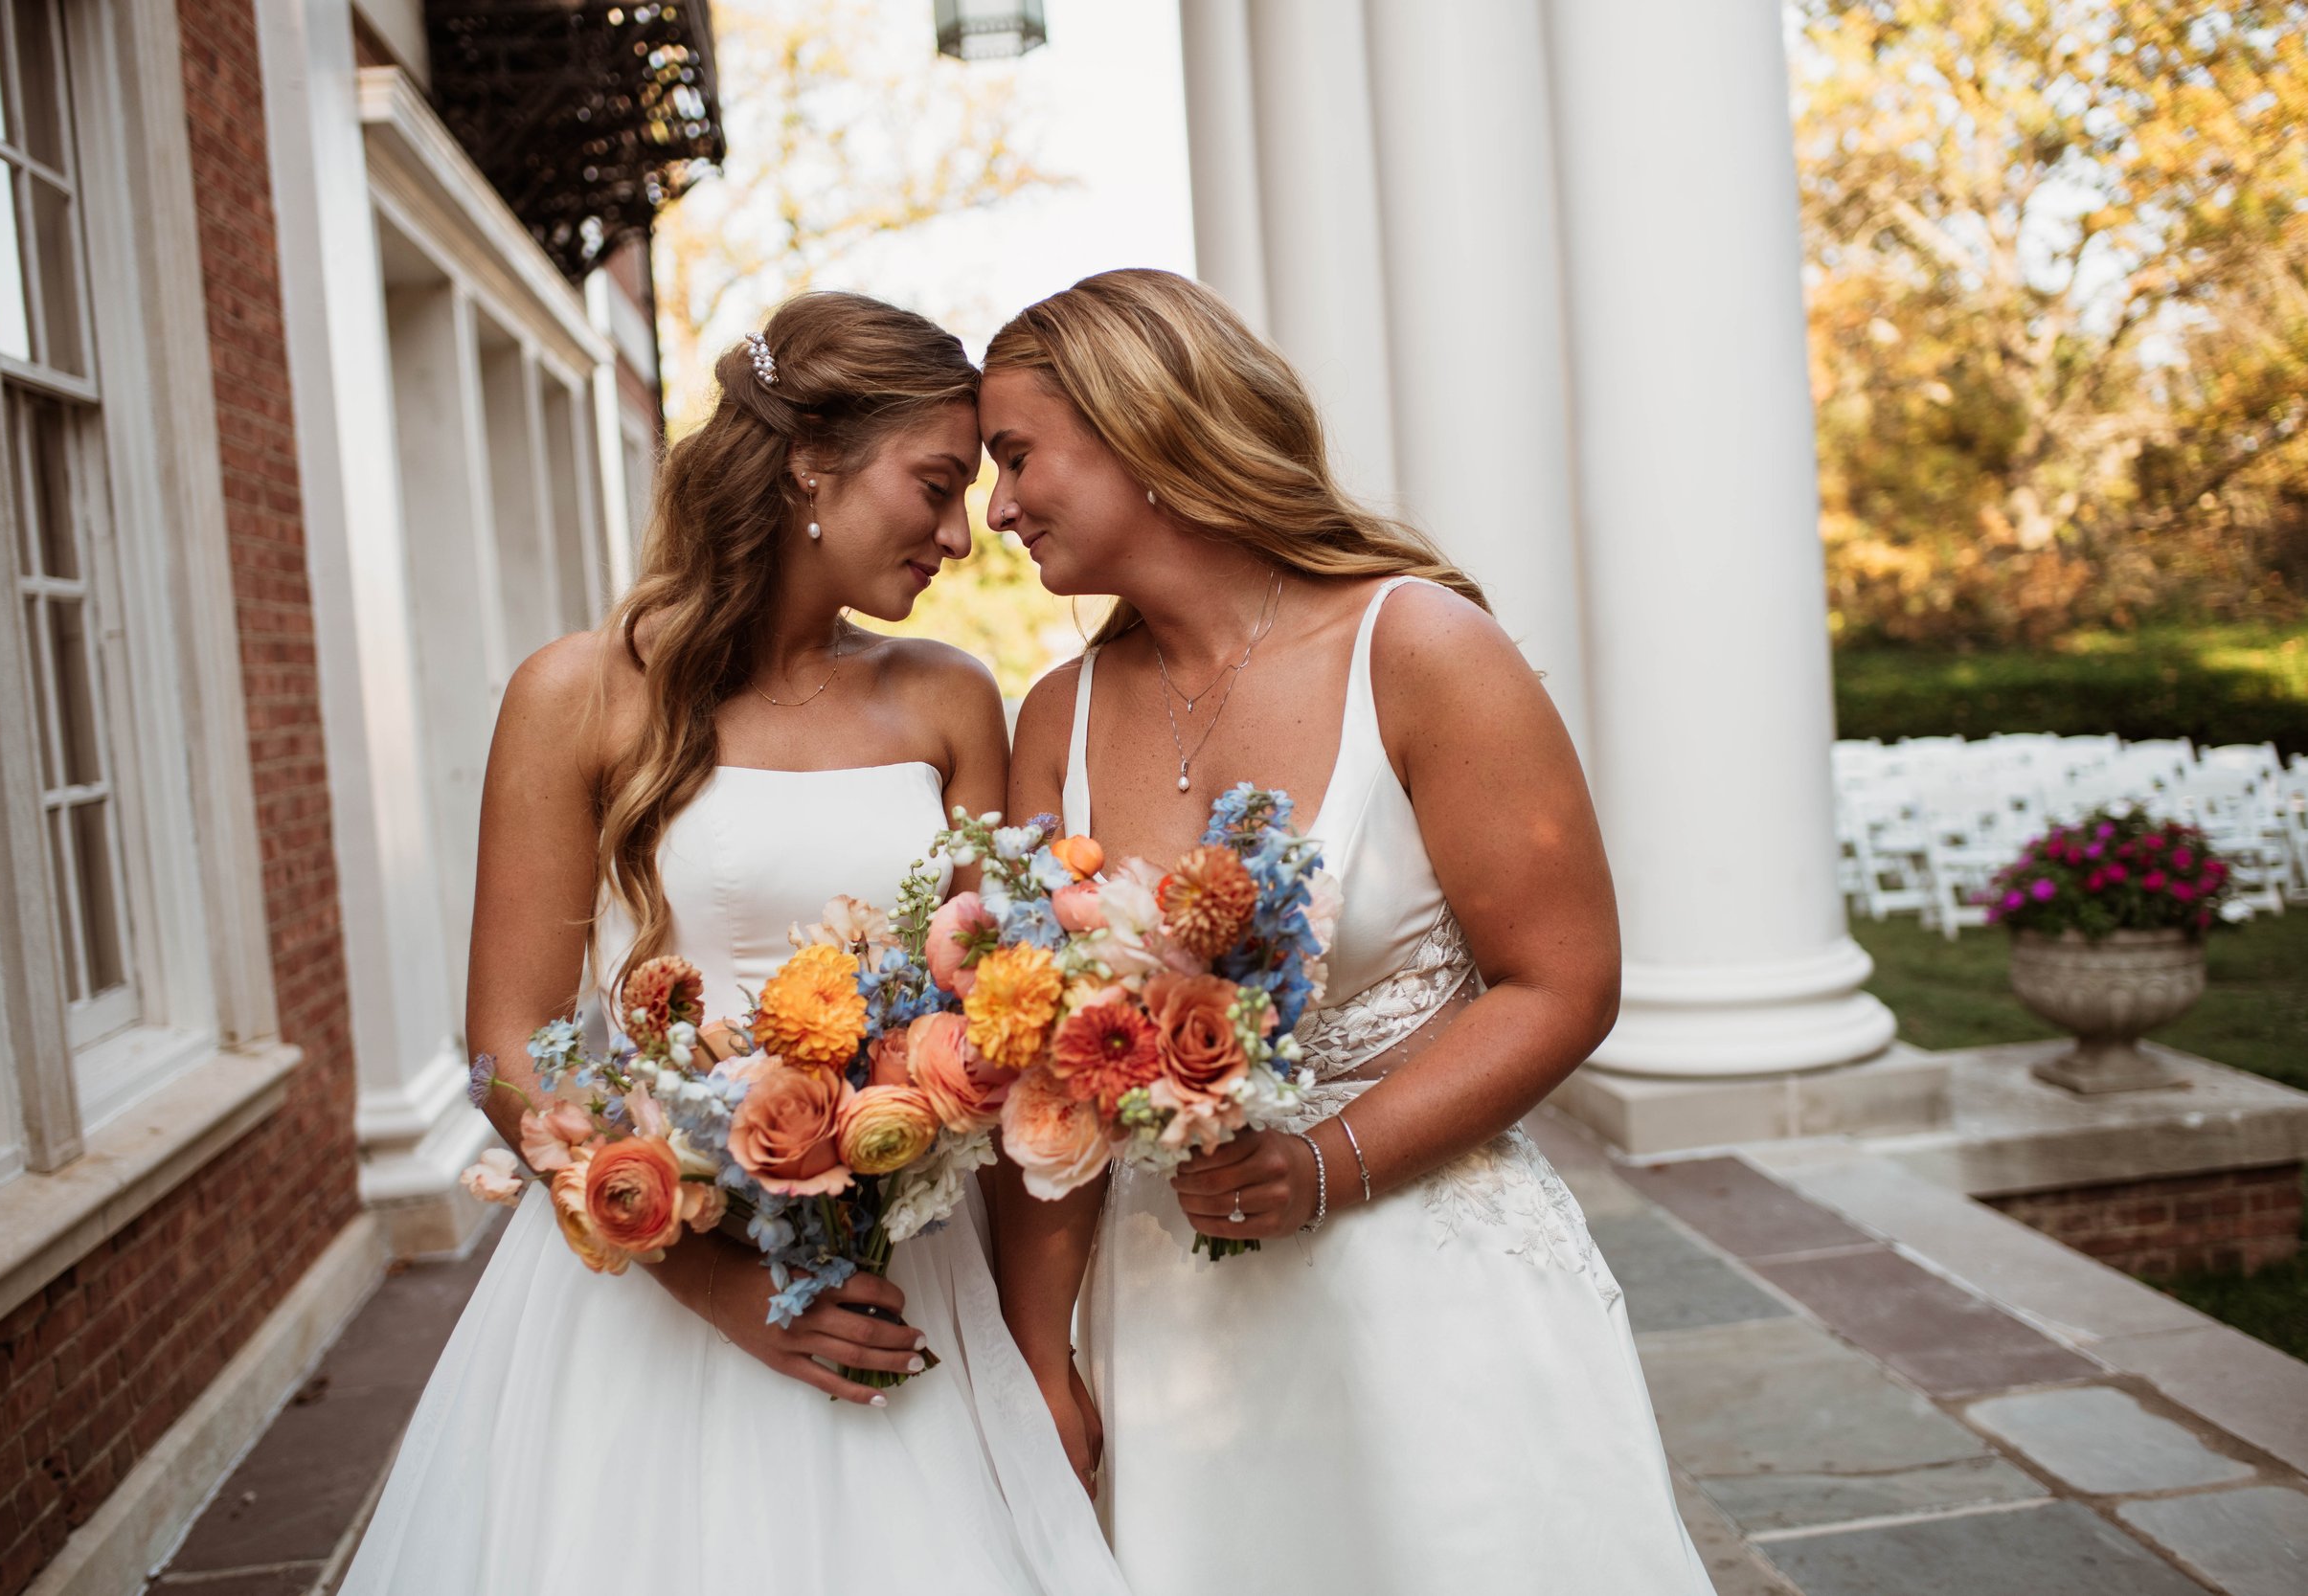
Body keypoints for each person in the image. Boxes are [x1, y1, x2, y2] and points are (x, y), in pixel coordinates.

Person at [340, 293, 1126, 1596]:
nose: (960, 535)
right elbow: (505, 1046)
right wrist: (720, 1287)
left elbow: (996, 1017)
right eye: (936, 486)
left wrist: (1041, 1357)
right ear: (810, 460)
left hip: (914, 1269)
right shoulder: (576, 694)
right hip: (660, 1284)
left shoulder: (947, 698)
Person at [980, 268, 1714, 1594]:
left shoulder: (1419, 647)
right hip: (1170, 1329)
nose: (997, 508)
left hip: (1428, 1301)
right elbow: (1048, 1084)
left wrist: (1328, 1165)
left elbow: (1565, 981)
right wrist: (1041, 1359)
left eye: (1017, 456)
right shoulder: (1055, 719)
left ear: (1139, 426)